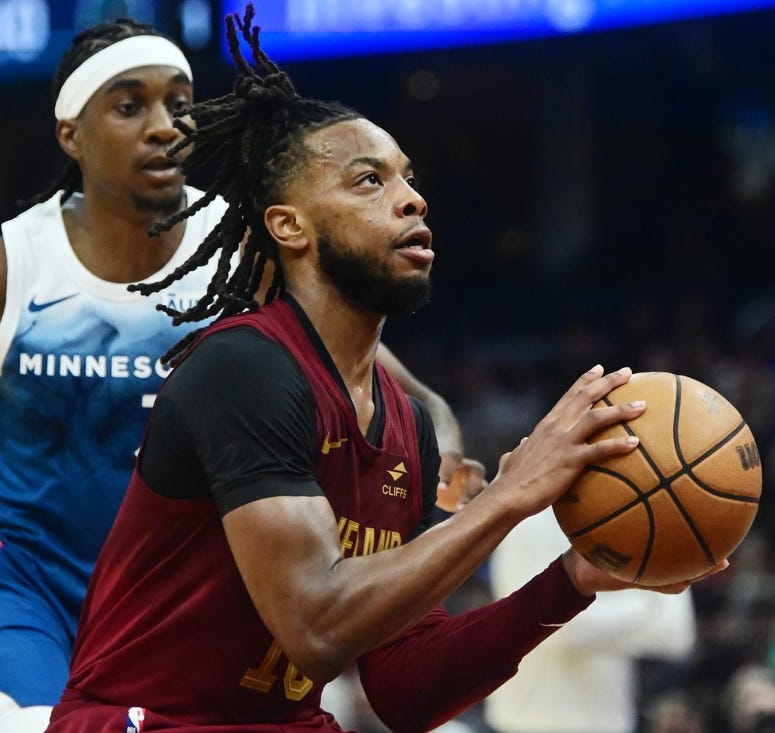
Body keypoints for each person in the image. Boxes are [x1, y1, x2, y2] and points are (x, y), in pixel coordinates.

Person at [45, 8, 723, 731]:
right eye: (368, 181)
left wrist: (567, 583)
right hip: (147, 720)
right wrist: (511, 497)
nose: (411, 197)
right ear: (289, 225)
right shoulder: (245, 367)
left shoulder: (406, 423)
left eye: (409, 179)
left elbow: (403, 686)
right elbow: (316, 624)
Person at [0, 17, 478, 733]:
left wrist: (450, 446)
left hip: (146, 612)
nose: (166, 127)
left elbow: (402, 391)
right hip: (6, 589)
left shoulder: (240, 257)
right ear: (72, 133)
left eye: (180, 104)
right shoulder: (7, 274)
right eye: (130, 106)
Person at [484, 508, 697, 733]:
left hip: (610, 723)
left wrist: (589, 609)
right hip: (526, 724)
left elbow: (676, 634)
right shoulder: (529, 521)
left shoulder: (634, 516)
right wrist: (644, 604)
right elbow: (551, 630)